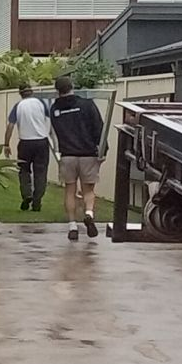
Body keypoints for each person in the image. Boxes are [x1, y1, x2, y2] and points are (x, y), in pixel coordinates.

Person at [48, 75, 105, 241]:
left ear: (57, 91)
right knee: (88, 190)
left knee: (69, 190)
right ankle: (88, 213)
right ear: (72, 86)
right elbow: (98, 127)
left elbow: (57, 132)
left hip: (68, 155)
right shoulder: (87, 105)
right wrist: (102, 150)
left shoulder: (55, 110)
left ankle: (72, 225)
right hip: (88, 154)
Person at [2, 84, 51, 211]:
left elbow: (10, 126)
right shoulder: (41, 103)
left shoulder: (18, 106)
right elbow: (50, 118)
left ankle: (26, 195)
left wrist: (6, 144)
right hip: (41, 142)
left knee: (24, 171)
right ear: (32, 92)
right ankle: (37, 201)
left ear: (21, 94)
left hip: (25, 143)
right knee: (41, 173)